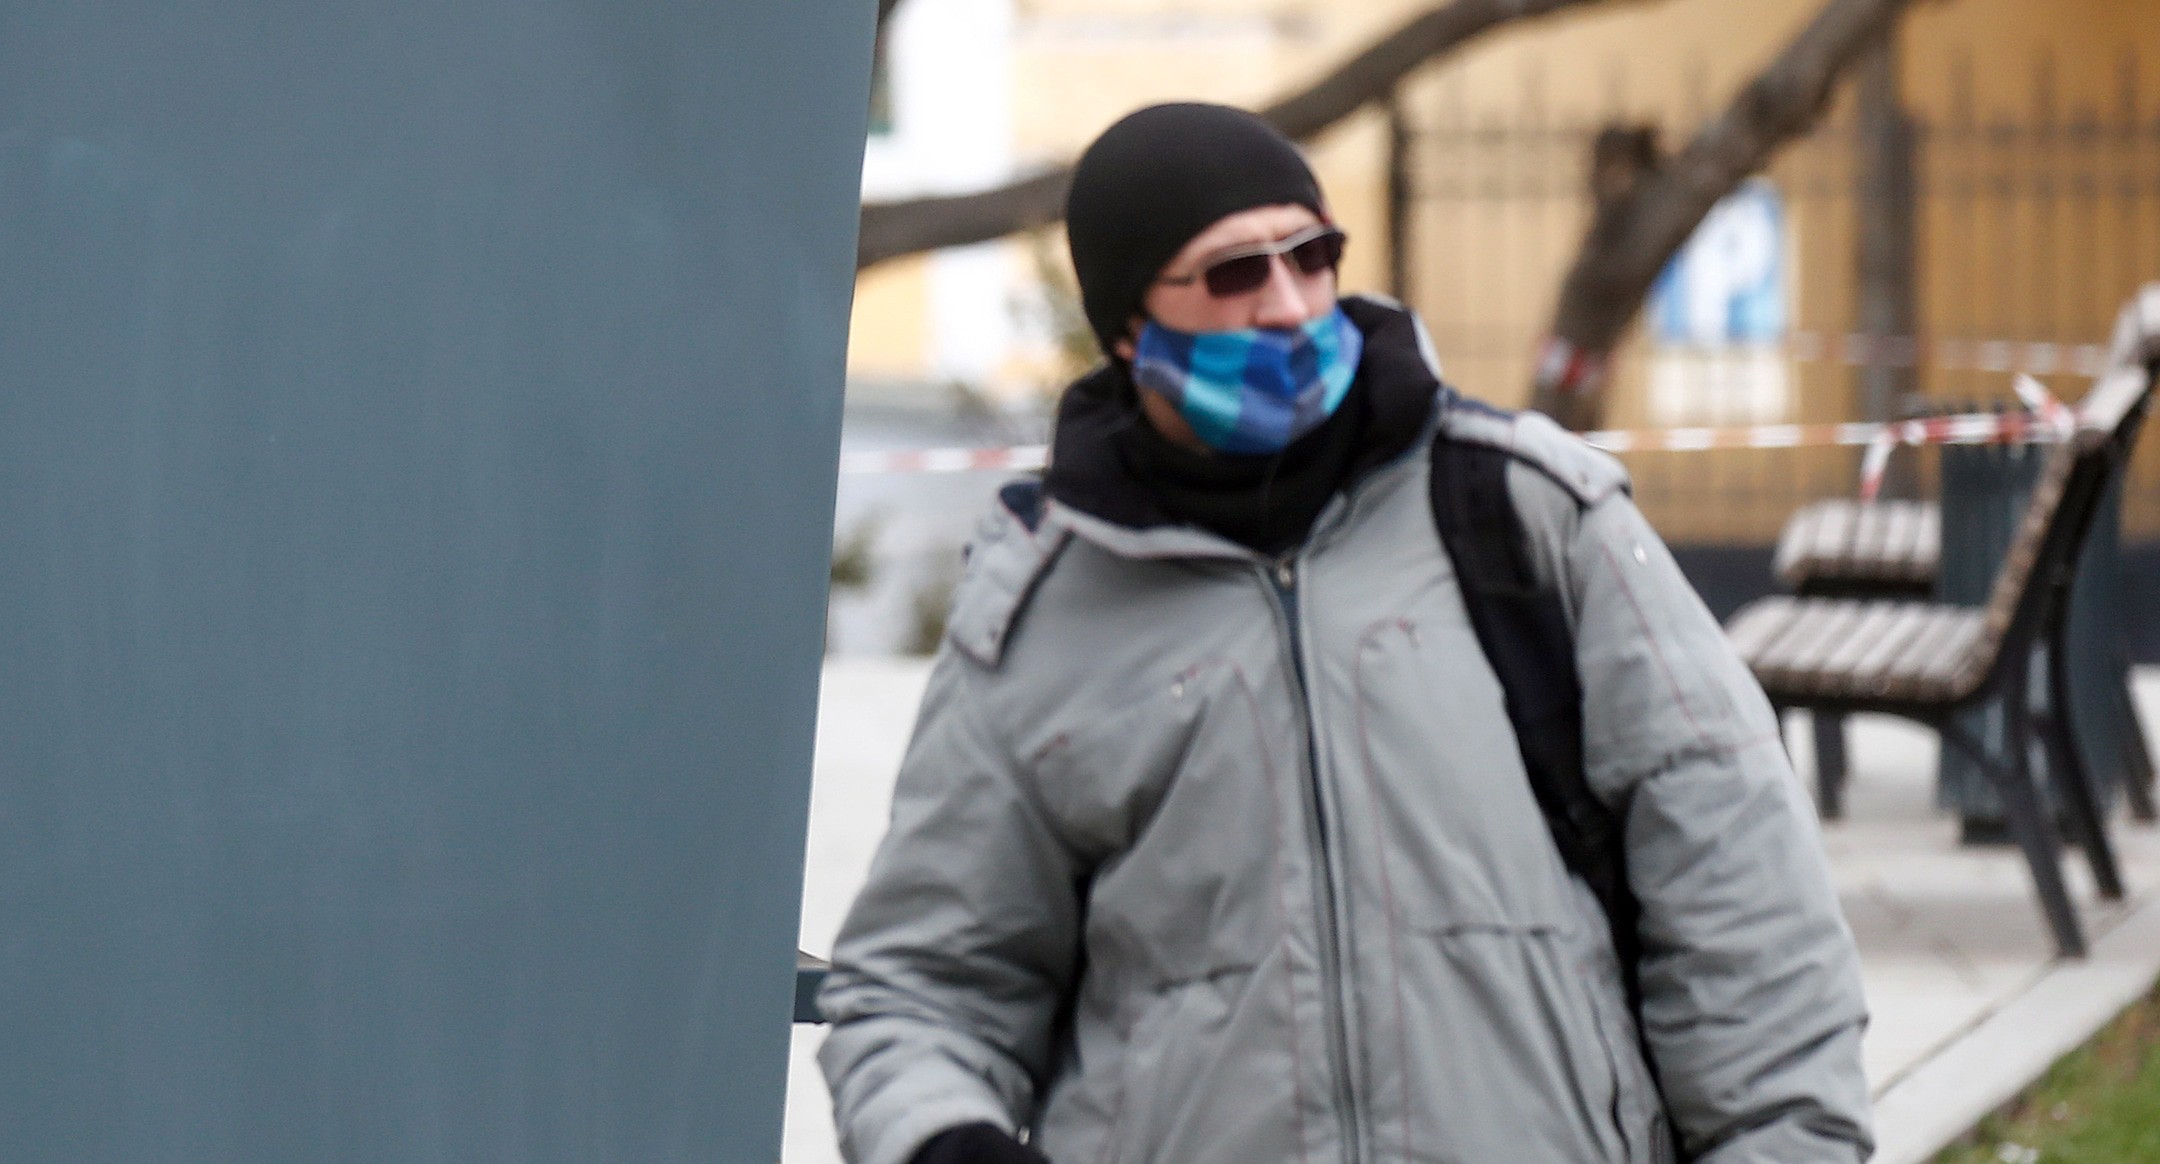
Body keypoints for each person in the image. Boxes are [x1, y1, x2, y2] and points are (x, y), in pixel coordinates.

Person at [819, 102, 1872, 1164]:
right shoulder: (1043, 607)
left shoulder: (1529, 515)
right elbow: (921, 988)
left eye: (1312, 255)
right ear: (1129, 328)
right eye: (1234, 273)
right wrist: (945, 1141)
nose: (1288, 306)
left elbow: (1742, 884)